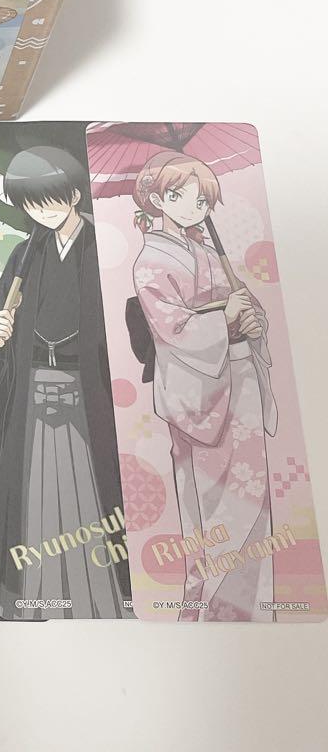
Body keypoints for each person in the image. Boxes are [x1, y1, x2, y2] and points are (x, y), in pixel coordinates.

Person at [0, 147, 131, 620]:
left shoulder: (104, 247)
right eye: (30, 203)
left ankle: (103, 598)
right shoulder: (26, 253)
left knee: (92, 494)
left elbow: (129, 317)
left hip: (89, 395)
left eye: (49, 199)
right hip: (32, 396)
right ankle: (32, 596)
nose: (41, 211)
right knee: (34, 498)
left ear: (72, 194)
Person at [132, 150, 276, 620]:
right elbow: (170, 328)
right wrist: (225, 318)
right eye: (180, 196)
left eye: (202, 201)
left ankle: (248, 606)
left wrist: (252, 320)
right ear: (157, 199)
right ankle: (209, 609)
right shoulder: (151, 260)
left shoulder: (211, 254)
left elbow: (247, 306)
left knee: (250, 500)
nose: (194, 208)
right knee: (209, 506)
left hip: (241, 383)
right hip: (198, 394)